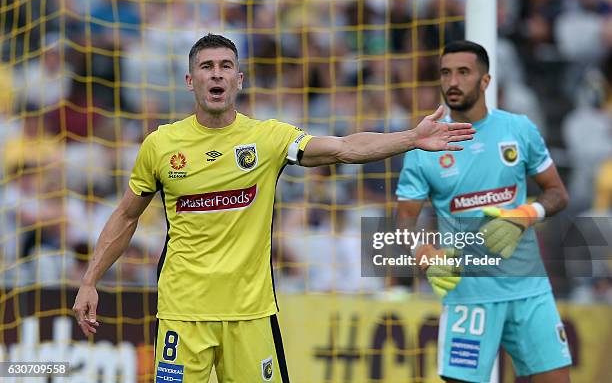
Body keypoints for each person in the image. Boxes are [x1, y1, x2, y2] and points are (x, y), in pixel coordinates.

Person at [72, 33, 474, 383]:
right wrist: (91, 279)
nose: (217, 74)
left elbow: (345, 148)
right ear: (190, 80)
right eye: (207, 66)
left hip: (251, 315)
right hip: (183, 313)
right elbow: (127, 215)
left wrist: (410, 137)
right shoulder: (160, 145)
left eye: (226, 66)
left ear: (239, 79)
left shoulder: (267, 139)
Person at [396, 40, 572, 383]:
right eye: (446, 73)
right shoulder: (425, 146)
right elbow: (403, 222)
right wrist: (424, 253)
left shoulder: (519, 130)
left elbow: (557, 194)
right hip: (468, 296)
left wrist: (526, 215)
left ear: (486, 81)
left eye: (464, 72)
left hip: (529, 289)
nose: (452, 82)